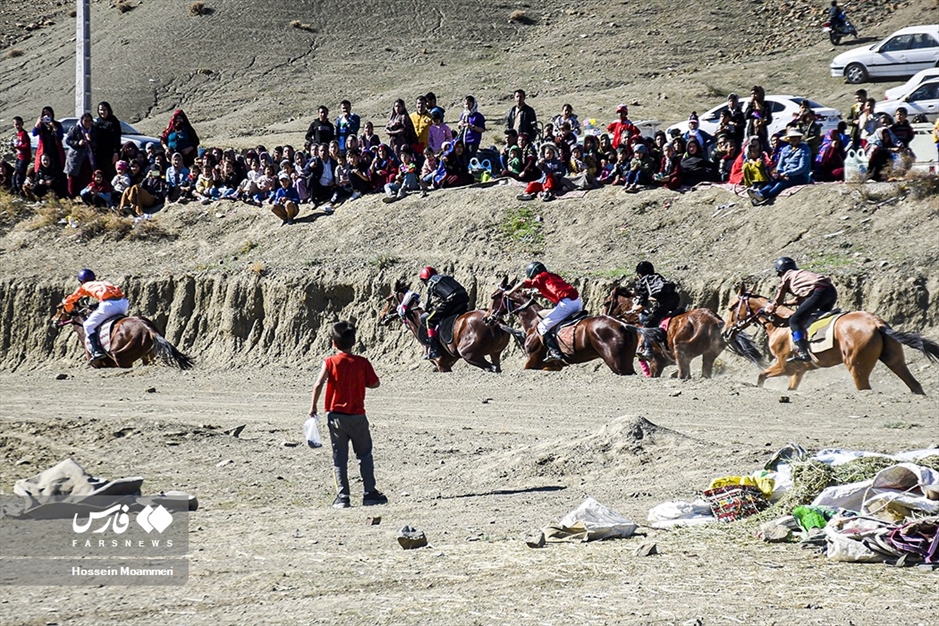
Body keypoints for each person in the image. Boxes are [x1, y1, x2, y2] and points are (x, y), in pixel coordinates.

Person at [308, 320, 387, 509]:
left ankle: (343, 496)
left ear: (334, 343)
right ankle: (369, 493)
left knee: (339, 457)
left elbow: (318, 384)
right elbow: (375, 383)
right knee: (365, 455)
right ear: (354, 342)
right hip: (358, 416)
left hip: (336, 416)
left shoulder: (330, 362)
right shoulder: (362, 362)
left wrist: (313, 407)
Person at [505, 262, 582, 362]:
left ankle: (556, 352)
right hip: (577, 302)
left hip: (566, 305)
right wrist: (534, 294)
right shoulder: (552, 276)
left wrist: (509, 293)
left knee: (542, 327)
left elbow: (523, 283)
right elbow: (551, 292)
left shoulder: (540, 277)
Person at [764, 257, 837, 363]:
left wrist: (772, 306)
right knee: (820, 318)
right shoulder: (800, 275)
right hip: (831, 292)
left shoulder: (787, 276)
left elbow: (778, 298)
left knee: (795, 320)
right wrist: (784, 304)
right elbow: (798, 300)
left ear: (780, 271)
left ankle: (803, 352)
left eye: (779, 274)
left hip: (819, 293)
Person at [61, 269, 129, 364]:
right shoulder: (104, 283)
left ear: (81, 281)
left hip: (108, 305)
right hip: (123, 303)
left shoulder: (84, 286)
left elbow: (70, 300)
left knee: (88, 325)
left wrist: (69, 310)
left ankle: (97, 351)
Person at [747, 128, 811, 206]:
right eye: (792, 137)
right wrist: (781, 174)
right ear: (788, 139)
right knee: (773, 182)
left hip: (799, 176)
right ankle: (759, 194)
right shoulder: (785, 149)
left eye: (796, 137)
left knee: (781, 184)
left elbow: (802, 168)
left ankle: (762, 196)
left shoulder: (805, 149)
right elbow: (780, 165)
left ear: (799, 138)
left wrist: (786, 174)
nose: (794, 139)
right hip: (784, 175)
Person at [418, 266, 470, 360]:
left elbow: (427, 305)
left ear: (425, 279)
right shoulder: (445, 278)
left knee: (429, 320)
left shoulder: (431, 282)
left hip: (451, 300)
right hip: (464, 297)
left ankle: (434, 349)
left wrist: (424, 306)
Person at [633, 261, 680, 361]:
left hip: (664, 304)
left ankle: (648, 350)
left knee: (647, 325)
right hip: (675, 300)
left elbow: (643, 303)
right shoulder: (657, 277)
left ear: (640, 274)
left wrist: (634, 309)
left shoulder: (643, 281)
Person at [64, 112, 95, 198]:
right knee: (73, 179)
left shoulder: (94, 130)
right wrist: (78, 143)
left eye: (89, 121)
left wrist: (90, 140)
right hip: (75, 157)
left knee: (87, 177)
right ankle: (71, 197)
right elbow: (68, 140)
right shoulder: (75, 129)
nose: (88, 123)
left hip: (88, 158)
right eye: (85, 120)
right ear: (81, 121)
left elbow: (97, 143)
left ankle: (85, 196)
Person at [92, 101, 122, 180]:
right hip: (99, 153)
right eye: (100, 110)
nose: (102, 112)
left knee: (110, 173)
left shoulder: (113, 121)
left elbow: (117, 138)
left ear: (108, 110)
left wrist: (116, 153)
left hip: (110, 154)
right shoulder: (98, 122)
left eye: (104, 110)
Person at [32, 106, 65, 177]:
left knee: (56, 168)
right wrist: (37, 123)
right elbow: (34, 133)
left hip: (55, 151)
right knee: (43, 168)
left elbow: (60, 136)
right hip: (44, 150)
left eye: (48, 115)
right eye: (44, 115)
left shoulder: (57, 124)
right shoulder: (41, 125)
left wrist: (54, 127)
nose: (46, 116)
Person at [458, 95, 486, 159]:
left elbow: (482, 129)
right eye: (466, 104)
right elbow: (460, 126)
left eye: (469, 104)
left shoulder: (478, 116)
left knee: (470, 157)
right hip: (463, 140)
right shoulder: (463, 115)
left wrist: (472, 127)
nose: (467, 106)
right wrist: (460, 124)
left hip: (473, 141)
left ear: (473, 104)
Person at [11, 116, 31, 196]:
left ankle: (21, 193)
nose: (17, 126)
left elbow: (26, 145)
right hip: (19, 157)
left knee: (19, 176)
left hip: (24, 158)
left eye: (19, 124)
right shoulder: (18, 134)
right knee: (15, 175)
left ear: (22, 124)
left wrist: (17, 146)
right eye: (16, 124)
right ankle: (16, 192)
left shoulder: (24, 134)